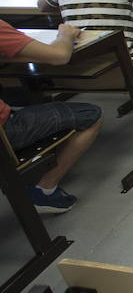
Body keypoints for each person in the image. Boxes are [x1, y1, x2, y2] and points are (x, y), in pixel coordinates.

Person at [0, 21, 101, 212]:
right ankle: (44, 189)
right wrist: (66, 35)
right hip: (5, 132)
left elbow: (43, 5)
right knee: (90, 114)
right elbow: (59, 56)